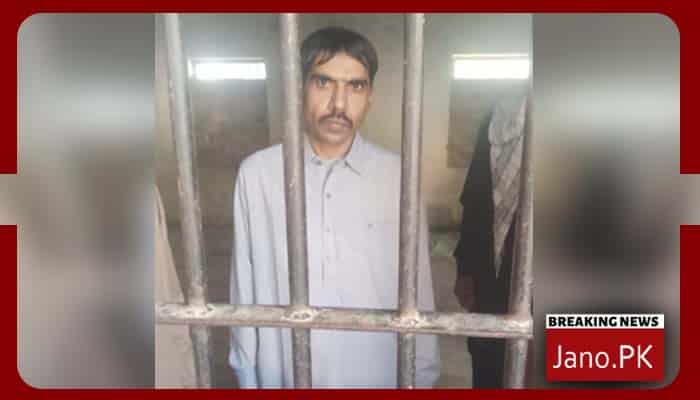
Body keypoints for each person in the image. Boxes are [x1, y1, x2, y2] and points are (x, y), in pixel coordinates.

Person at [228, 26, 440, 388]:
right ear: (298, 88)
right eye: (323, 82)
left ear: (370, 96)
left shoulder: (398, 176)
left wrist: (421, 376)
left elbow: (419, 289)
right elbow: (243, 292)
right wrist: (247, 378)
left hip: (376, 374)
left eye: (355, 86)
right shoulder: (259, 174)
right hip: (286, 373)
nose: (339, 104)